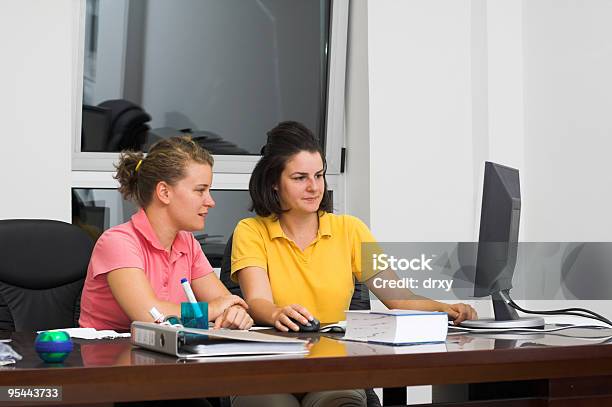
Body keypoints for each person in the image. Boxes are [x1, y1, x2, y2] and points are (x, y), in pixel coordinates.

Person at [230, 121, 477, 406]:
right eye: (300, 178)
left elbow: (399, 298)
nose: (314, 187)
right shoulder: (251, 231)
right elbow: (258, 300)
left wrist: (444, 308)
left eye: (319, 175)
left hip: (333, 370)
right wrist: (275, 314)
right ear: (274, 181)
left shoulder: (351, 229)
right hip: (269, 370)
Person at [79, 136, 253, 332]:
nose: (210, 201)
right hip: (107, 357)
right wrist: (213, 309)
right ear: (164, 192)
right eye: (200, 190)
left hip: (165, 356)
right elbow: (150, 315)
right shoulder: (117, 242)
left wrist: (235, 312)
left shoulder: (187, 243)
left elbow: (226, 302)